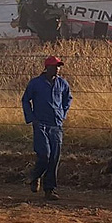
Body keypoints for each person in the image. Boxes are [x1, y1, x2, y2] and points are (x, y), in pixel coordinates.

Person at [22, 56, 72, 201]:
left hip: (56, 124)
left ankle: (50, 189)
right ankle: (35, 175)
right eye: (55, 66)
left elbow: (68, 99)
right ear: (47, 67)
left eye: (58, 66)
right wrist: (31, 118)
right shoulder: (36, 83)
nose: (57, 69)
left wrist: (63, 114)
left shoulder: (62, 83)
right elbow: (26, 100)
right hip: (41, 124)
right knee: (45, 154)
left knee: (54, 158)